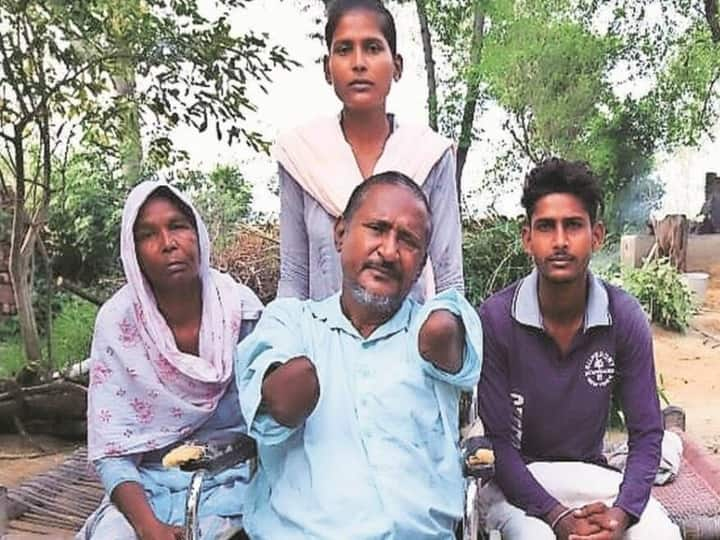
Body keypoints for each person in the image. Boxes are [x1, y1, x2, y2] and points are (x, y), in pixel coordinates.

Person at [235, 172, 482, 539]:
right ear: (340, 234)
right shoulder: (292, 322)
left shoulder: (432, 329)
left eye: (408, 241)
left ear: (421, 264)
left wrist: (442, 322)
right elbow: (279, 402)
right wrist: (298, 381)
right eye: (377, 229)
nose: (388, 251)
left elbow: (446, 336)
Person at [476, 158, 681, 539]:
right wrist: (557, 518)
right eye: (546, 227)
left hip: (589, 477)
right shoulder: (497, 319)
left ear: (597, 235)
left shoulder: (622, 316)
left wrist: (622, 514)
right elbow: (499, 446)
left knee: (660, 534)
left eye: (573, 225)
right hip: (516, 485)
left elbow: (647, 434)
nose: (559, 241)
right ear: (526, 238)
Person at [77, 181, 263, 540]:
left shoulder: (243, 312)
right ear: (133, 253)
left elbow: (269, 425)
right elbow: (112, 447)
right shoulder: (118, 323)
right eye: (148, 234)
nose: (168, 243)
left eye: (178, 226)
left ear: (198, 234)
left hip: (234, 481)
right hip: (146, 489)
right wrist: (148, 527)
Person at [274, 0, 463, 302]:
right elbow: (294, 276)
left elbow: (449, 276)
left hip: (410, 341)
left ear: (397, 66)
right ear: (327, 68)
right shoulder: (301, 155)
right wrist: (284, 344)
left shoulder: (428, 155)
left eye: (373, 48)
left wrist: (443, 337)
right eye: (344, 49)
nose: (358, 63)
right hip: (320, 343)